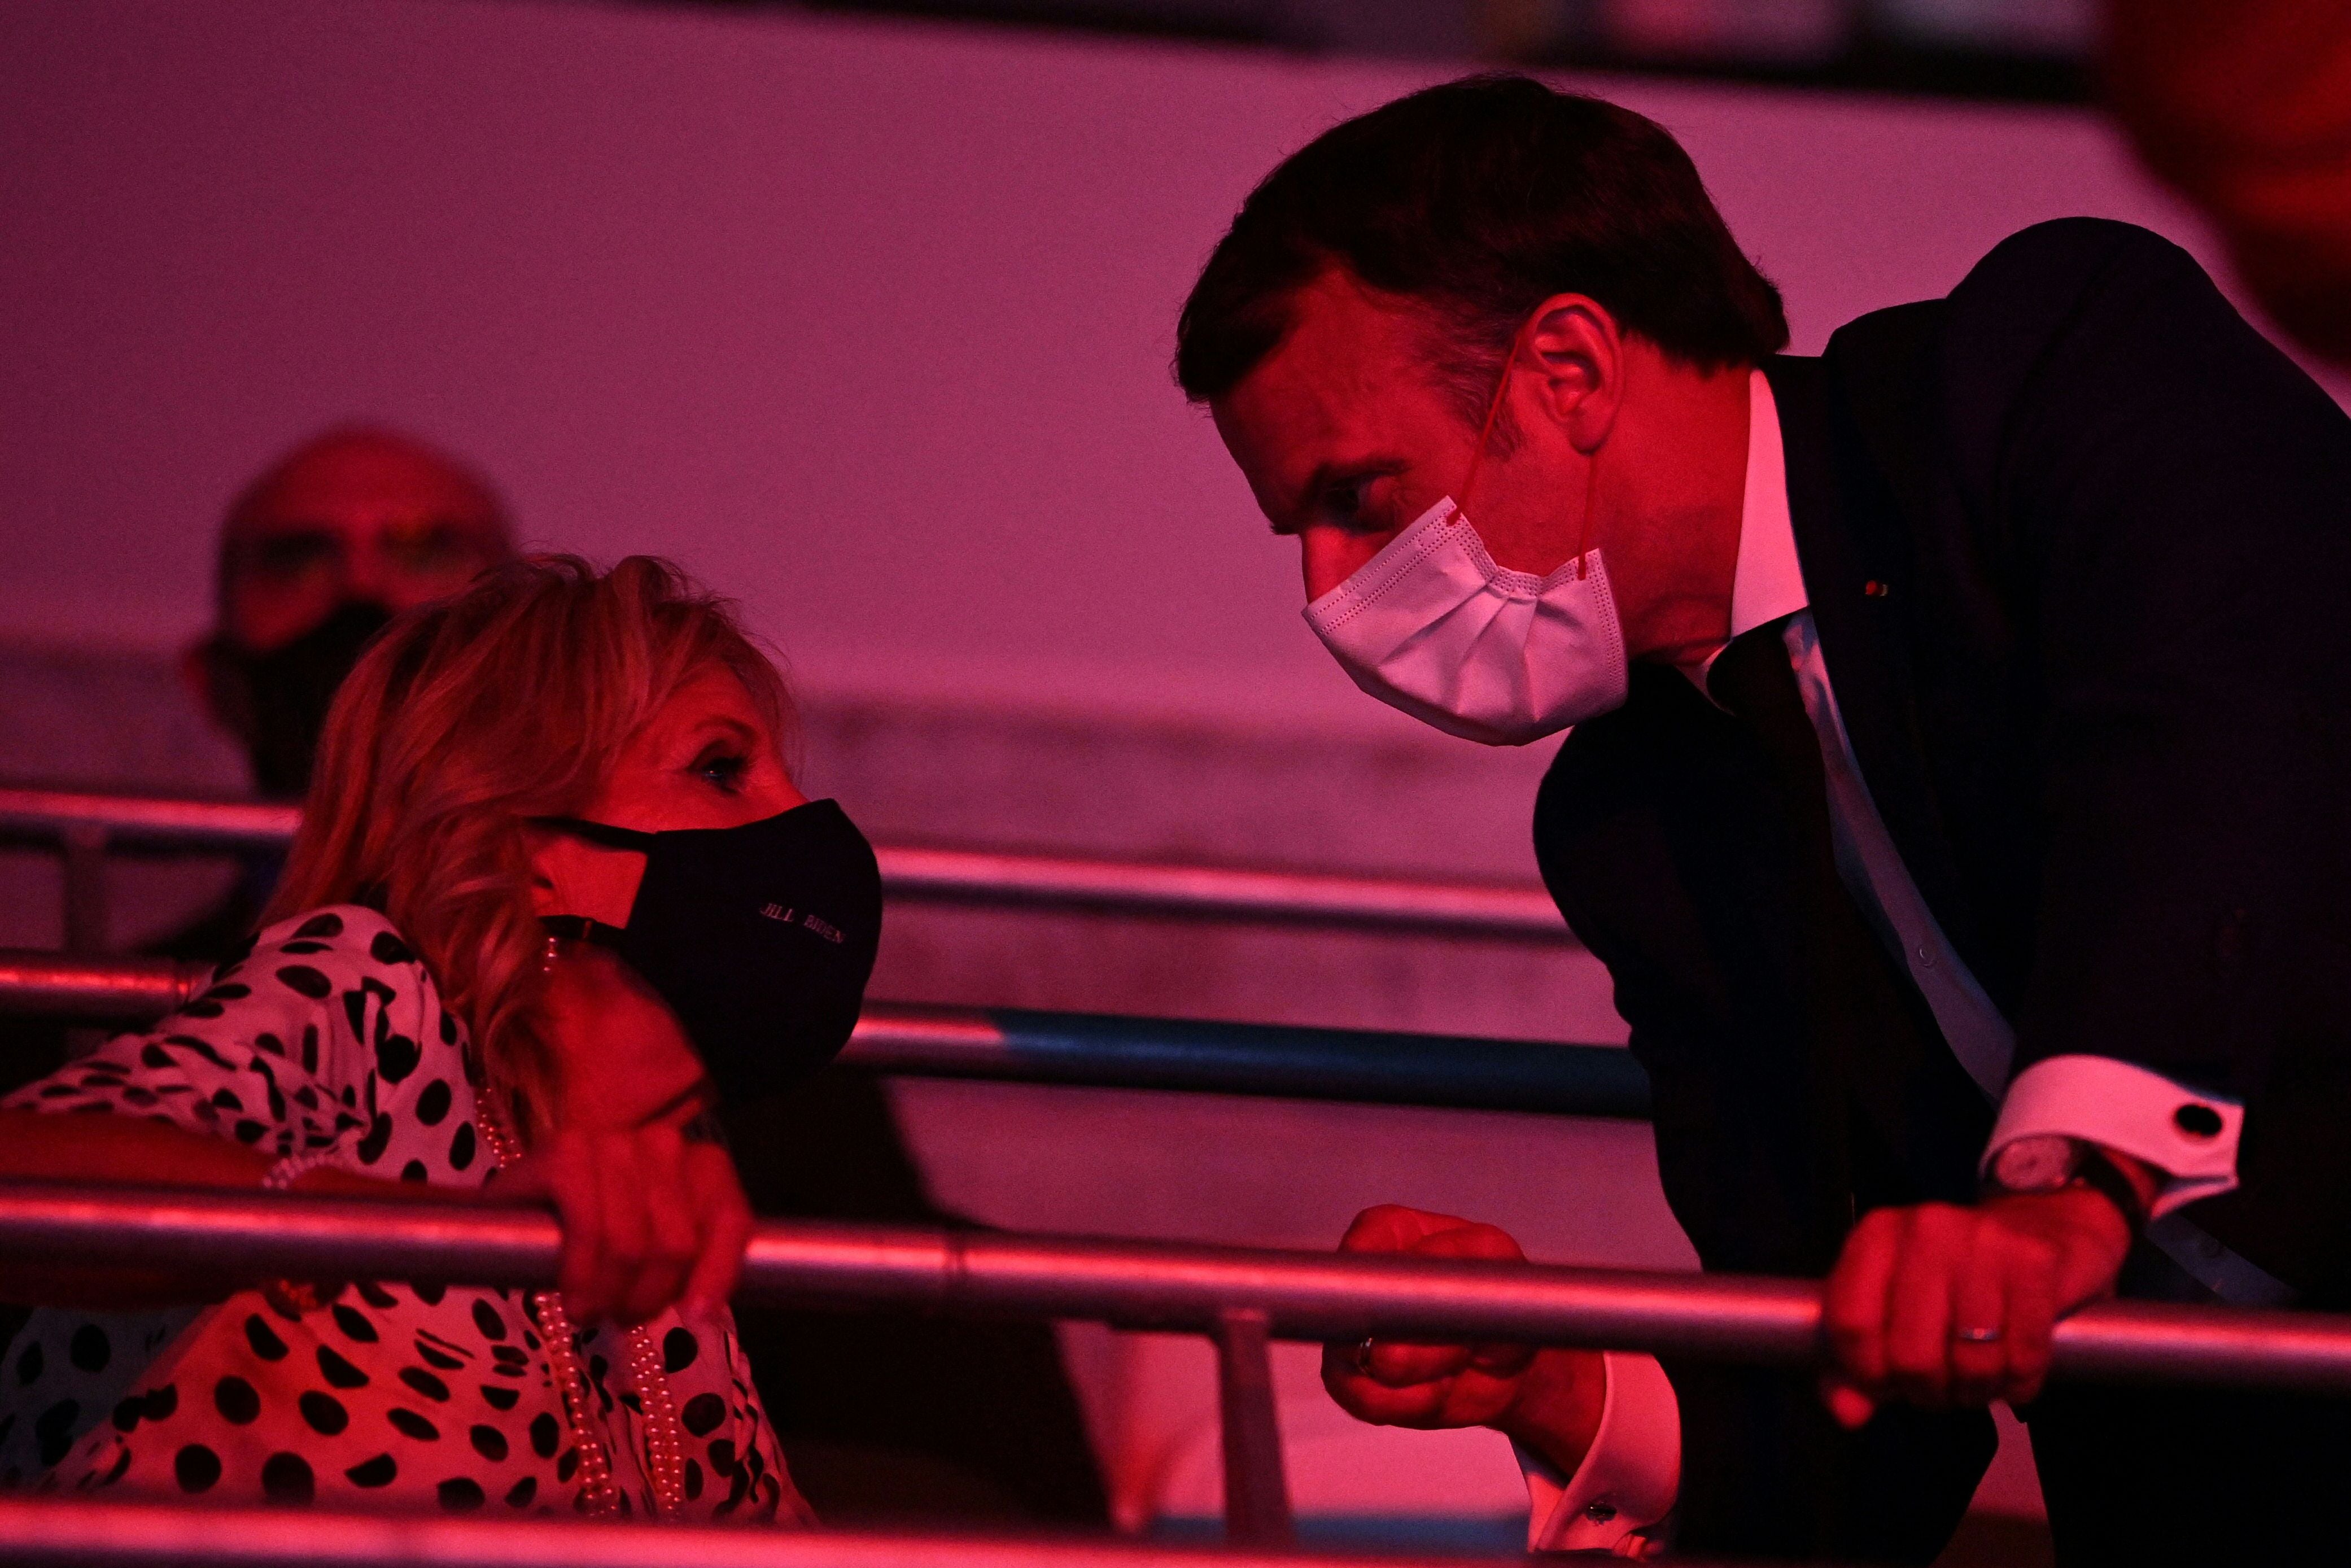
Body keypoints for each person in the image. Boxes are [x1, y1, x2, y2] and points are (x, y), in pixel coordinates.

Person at [1176, 76, 2351, 1564]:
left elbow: (2226, 753)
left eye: (1359, 500)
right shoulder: (1631, 825)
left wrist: (2064, 1187)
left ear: (1567, 368)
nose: (1326, 594)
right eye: (1304, 539)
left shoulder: (2041, 371)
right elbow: (1854, 1423)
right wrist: (1547, 1374)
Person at [0, 556, 883, 1518]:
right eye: (722, 768)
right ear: (526, 850)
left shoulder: (667, 1210)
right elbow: (26, 1179)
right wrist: (380, 1229)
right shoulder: (374, 994)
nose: (803, 826)